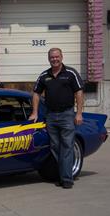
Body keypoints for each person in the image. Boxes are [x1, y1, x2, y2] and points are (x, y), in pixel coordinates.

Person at [29, 48, 84, 189]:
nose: (54, 59)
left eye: (57, 57)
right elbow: (36, 93)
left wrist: (79, 113)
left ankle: (66, 179)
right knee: (55, 147)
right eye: (52, 57)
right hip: (51, 116)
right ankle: (64, 172)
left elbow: (79, 92)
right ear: (49, 59)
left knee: (67, 146)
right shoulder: (44, 75)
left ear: (62, 57)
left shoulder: (71, 73)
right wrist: (35, 112)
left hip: (67, 115)